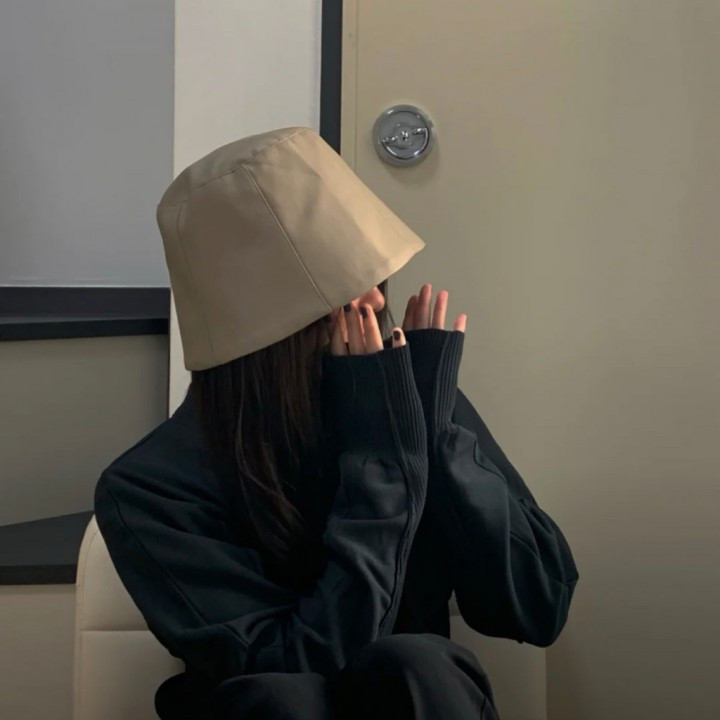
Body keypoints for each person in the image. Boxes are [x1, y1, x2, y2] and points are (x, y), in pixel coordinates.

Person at [93, 126, 579, 719]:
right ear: (260, 339)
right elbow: (297, 665)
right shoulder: (151, 490)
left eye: (371, 280)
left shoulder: (399, 402)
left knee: (416, 661)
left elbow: (538, 605)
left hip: (415, 694)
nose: (374, 303)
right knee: (283, 695)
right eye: (338, 295)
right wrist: (385, 467)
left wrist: (434, 433)